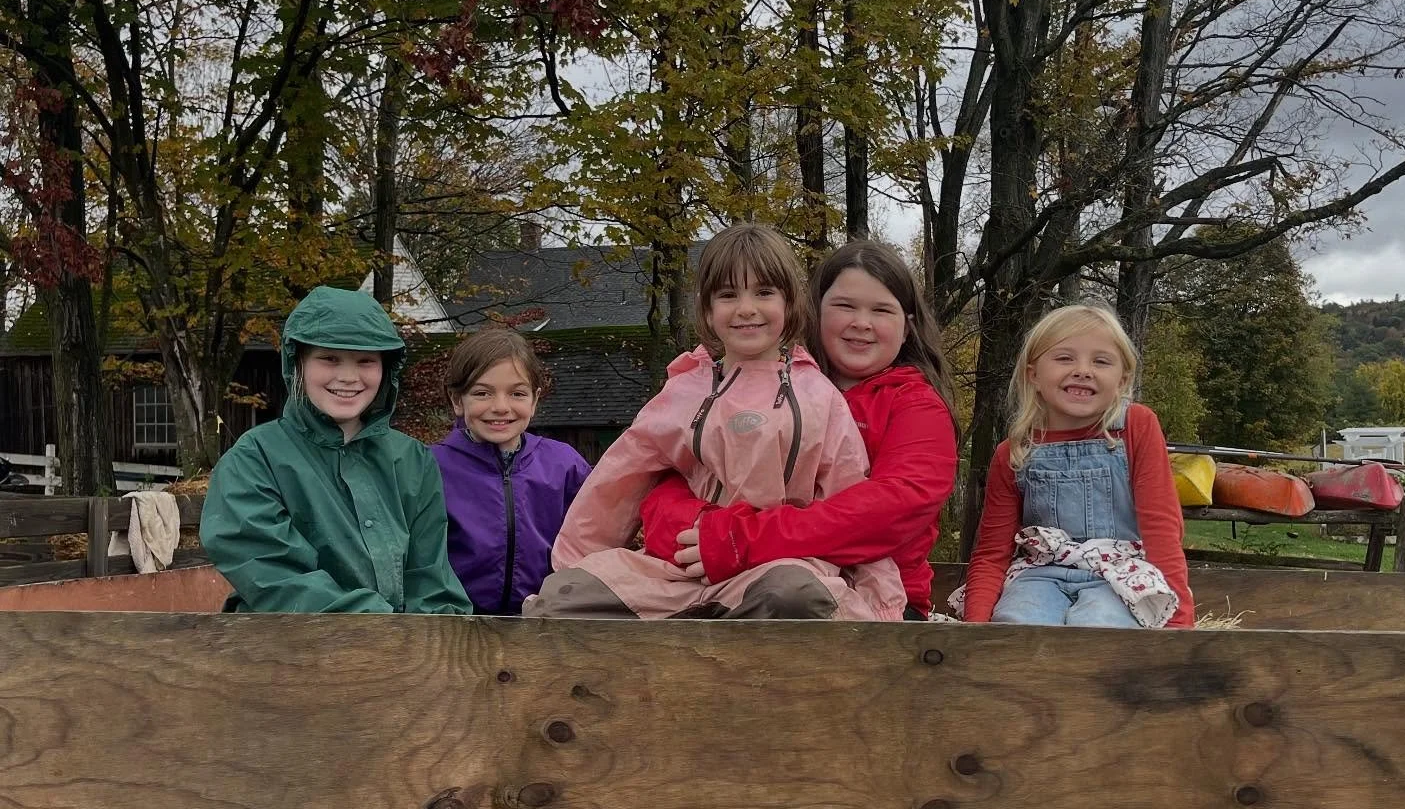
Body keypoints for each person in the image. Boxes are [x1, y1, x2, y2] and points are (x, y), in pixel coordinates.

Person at [524, 224, 906, 620]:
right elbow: (620, 479)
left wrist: (883, 602)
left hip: (775, 566)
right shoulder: (684, 392)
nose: (746, 308)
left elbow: (851, 501)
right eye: (728, 295)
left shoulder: (819, 397)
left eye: (763, 292)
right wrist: (575, 561)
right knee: (561, 597)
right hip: (682, 569)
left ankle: (722, 634)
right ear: (707, 309)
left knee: (795, 593)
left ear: (790, 303)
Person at [638, 239, 961, 620]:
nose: (861, 322)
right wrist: (701, 528)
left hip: (878, 605)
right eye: (845, 306)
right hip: (729, 581)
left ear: (907, 328)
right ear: (813, 313)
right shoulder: (764, 387)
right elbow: (672, 475)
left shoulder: (916, 406)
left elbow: (891, 508)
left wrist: (743, 539)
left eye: (881, 310)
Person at [200, 286, 471, 615]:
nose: (348, 377)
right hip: (284, 645)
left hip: (403, 645)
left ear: (385, 369)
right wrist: (385, 629)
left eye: (365, 361)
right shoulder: (254, 458)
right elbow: (277, 577)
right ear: (298, 362)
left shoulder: (414, 460)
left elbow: (432, 580)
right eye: (329, 358)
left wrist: (439, 636)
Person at [959, 303, 1194, 628]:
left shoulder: (1135, 428)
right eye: (1064, 358)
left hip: (1121, 575)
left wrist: (1179, 629)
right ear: (1033, 375)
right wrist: (975, 631)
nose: (1083, 370)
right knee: (1019, 621)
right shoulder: (1014, 452)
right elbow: (991, 552)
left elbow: (1162, 529)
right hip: (1039, 575)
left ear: (1122, 379)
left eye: (1101, 361)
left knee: (1102, 623)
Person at [432, 326, 590, 615]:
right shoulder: (430, 468)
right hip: (455, 625)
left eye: (517, 393)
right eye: (482, 393)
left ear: (535, 399)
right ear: (457, 400)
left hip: (548, 622)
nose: (501, 407)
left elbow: (591, 545)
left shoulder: (565, 465)